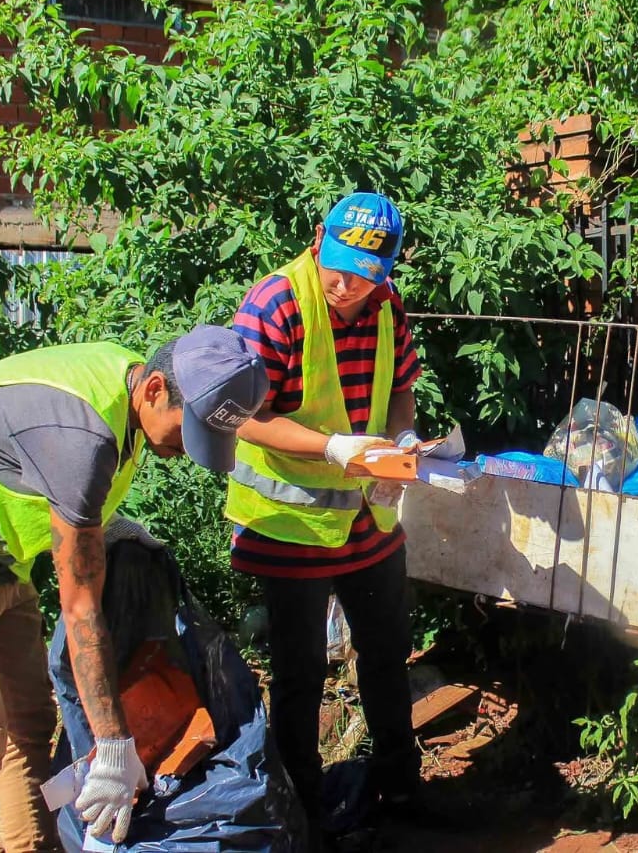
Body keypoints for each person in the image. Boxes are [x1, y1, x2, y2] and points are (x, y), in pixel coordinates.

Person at [0, 326, 267, 852]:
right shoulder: (83, 438)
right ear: (154, 390)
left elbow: (57, 480)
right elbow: (81, 613)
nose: (184, 451)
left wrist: (105, 526)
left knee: (29, 725)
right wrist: (113, 749)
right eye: (184, 431)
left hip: (1, 557)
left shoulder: (125, 386)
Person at [226, 192, 424, 835]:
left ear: (386, 271)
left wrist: (401, 437)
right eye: (338, 271)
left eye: (364, 278)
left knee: (387, 651)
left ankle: (401, 792)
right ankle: (303, 815)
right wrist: (332, 447)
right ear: (318, 239)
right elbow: (240, 416)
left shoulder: (387, 304)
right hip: (290, 522)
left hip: (369, 517)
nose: (346, 287)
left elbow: (401, 389)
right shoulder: (276, 303)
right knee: (300, 673)